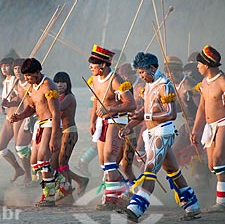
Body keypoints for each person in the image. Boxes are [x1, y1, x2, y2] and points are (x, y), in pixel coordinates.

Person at [120, 52, 201, 222]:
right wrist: (129, 126)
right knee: (172, 171)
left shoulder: (165, 85)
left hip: (163, 132)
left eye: (143, 72)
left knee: (149, 169)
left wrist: (149, 116)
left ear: (152, 67)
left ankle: (137, 207)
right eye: (139, 73)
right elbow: (145, 111)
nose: (142, 76)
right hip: (151, 133)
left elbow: (171, 113)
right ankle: (191, 205)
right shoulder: (149, 85)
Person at [190, 45, 225, 212]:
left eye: (198, 64)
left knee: (219, 161)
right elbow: (201, 108)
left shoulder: (224, 82)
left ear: (206, 65)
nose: (197, 67)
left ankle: (222, 203)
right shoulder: (204, 83)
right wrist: (196, 130)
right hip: (210, 126)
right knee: (213, 166)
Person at [88, 45, 136, 210]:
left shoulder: (115, 80)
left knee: (110, 157)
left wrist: (111, 109)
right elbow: (96, 100)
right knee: (104, 162)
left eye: (93, 64)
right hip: (103, 122)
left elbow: (131, 104)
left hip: (117, 121)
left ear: (103, 65)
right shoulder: (94, 79)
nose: (90, 67)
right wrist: (93, 121)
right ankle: (126, 188)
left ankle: (111, 200)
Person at [10, 58, 61, 207]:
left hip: (50, 123)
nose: (27, 79)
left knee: (43, 158)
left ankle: (50, 196)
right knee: (34, 162)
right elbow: (32, 108)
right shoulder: (32, 87)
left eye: (29, 76)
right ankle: (60, 179)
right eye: (25, 76)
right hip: (39, 124)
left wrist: (55, 136)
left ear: (38, 73)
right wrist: (19, 116)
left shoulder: (48, 86)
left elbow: (56, 113)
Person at [52, 71, 89, 200]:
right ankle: (80, 180)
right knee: (54, 164)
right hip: (60, 133)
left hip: (69, 133)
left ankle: (68, 194)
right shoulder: (58, 97)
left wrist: (49, 98)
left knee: (62, 164)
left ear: (68, 84)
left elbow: (57, 109)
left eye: (62, 82)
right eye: (57, 82)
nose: (60, 85)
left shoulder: (69, 97)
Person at [0, 58, 33, 184]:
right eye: (15, 68)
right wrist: (8, 103)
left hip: (25, 116)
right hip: (15, 117)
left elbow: (26, 102)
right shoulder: (18, 83)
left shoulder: (29, 83)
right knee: (8, 148)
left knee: (22, 147)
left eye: (19, 68)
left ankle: (30, 175)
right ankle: (23, 171)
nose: (17, 71)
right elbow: (19, 98)